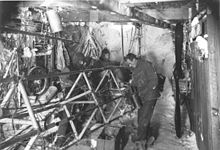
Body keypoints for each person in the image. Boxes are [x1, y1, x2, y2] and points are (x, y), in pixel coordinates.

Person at [124, 53, 160, 146]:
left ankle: (141, 141)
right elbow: (136, 82)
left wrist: (144, 90)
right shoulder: (136, 68)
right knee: (141, 116)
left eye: (130, 63)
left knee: (144, 118)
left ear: (133, 60)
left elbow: (154, 80)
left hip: (150, 96)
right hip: (142, 97)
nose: (130, 65)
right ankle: (145, 135)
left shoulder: (146, 65)